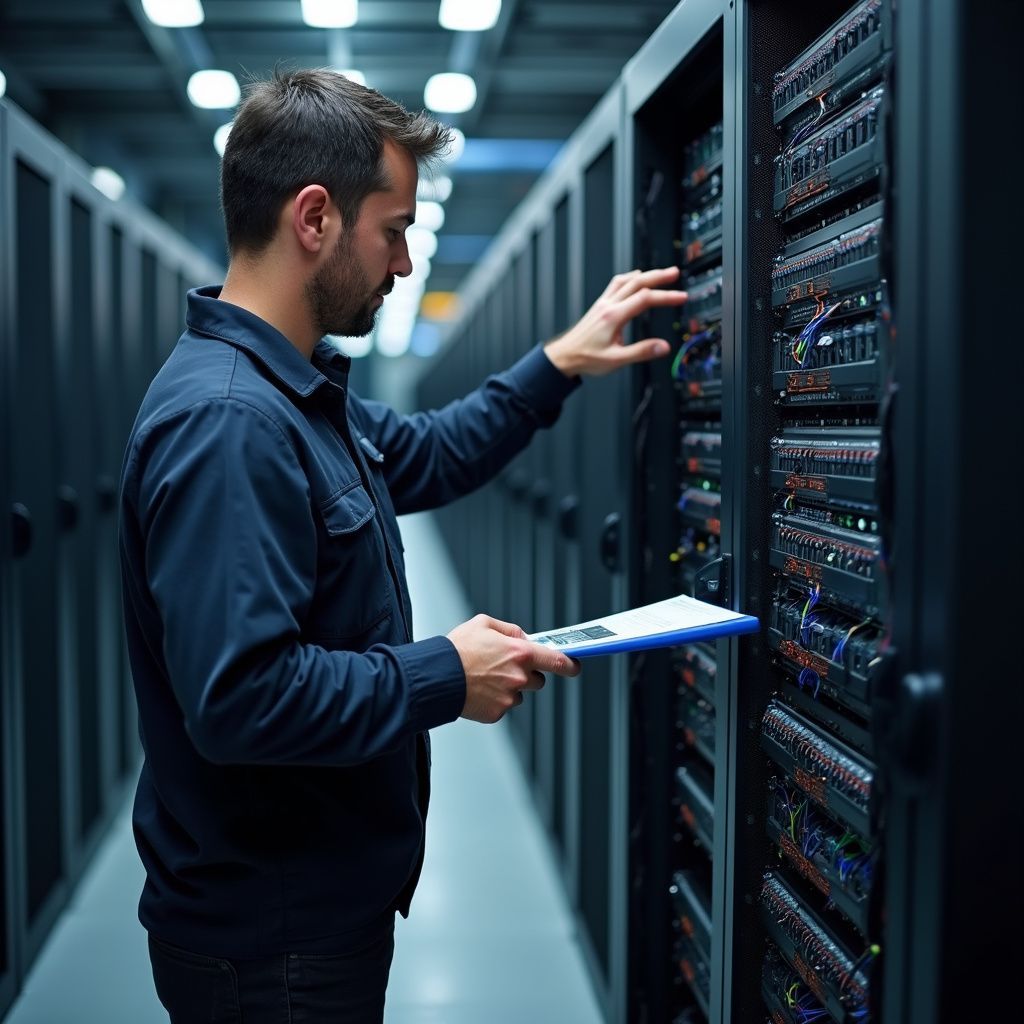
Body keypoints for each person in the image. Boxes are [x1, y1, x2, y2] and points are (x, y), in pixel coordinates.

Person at [118, 68, 686, 1024]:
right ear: (314, 219)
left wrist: (559, 362)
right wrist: (441, 676)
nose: (405, 264)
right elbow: (241, 700)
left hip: (307, 909)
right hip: (273, 940)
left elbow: (426, 451)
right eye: (395, 231)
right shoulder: (230, 422)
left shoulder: (294, 395)